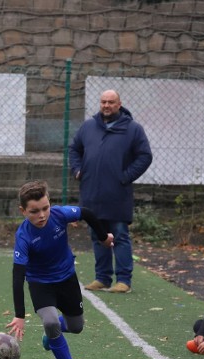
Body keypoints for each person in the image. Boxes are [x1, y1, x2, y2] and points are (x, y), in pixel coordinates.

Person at [5, 180, 114, 359]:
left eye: (45, 208)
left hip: (67, 279)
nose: (42, 215)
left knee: (76, 327)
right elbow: (17, 276)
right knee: (51, 322)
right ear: (23, 211)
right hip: (40, 283)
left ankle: (51, 337)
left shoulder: (60, 215)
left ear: (50, 203)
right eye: (34, 211)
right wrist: (19, 315)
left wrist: (103, 238)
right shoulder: (23, 236)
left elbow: (87, 213)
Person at [68, 89, 153, 294]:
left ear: (119, 104)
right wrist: (78, 170)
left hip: (117, 195)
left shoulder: (133, 129)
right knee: (98, 235)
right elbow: (74, 149)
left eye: (111, 102)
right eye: (103, 102)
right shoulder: (89, 127)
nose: (106, 105)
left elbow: (144, 156)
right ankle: (102, 278)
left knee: (120, 235)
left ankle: (124, 280)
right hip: (91, 194)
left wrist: (125, 176)